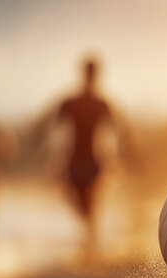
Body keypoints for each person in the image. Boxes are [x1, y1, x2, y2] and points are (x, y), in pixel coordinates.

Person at [45, 57, 116, 261]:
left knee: (91, 205)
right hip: (76, 161)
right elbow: (58, 133)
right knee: (80, 204)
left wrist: (110, 161)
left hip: (92, 161)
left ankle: (90, 246)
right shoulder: (72, 103)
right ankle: (90, 242)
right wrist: (54, 161)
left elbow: (110, 134)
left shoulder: (100, 103)